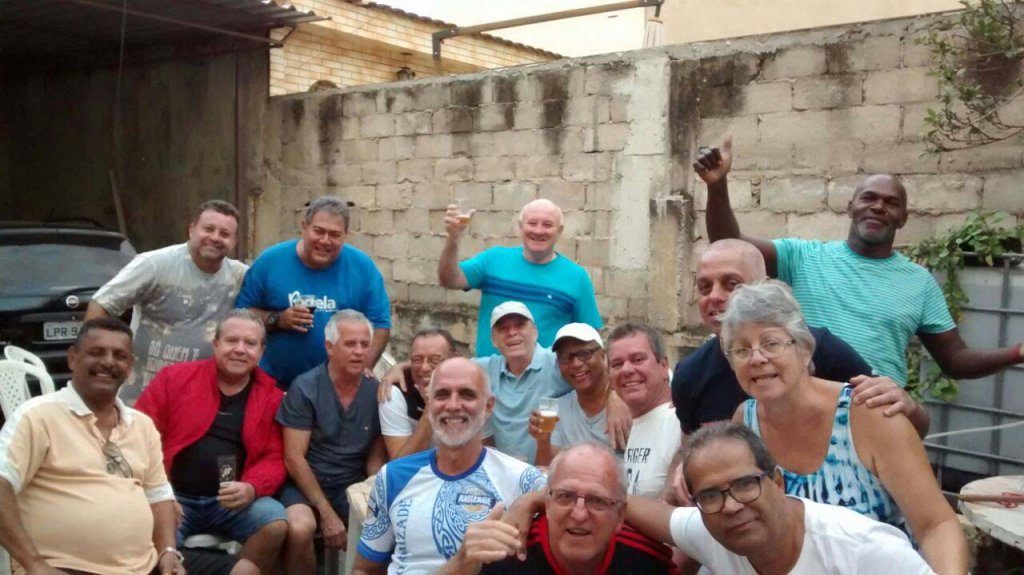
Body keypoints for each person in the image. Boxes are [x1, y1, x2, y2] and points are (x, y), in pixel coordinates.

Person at [697, 137, 1024, 384]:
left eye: (891, 203)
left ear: (903, 218)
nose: (878, 207)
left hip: (876, 414)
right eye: (869, 198)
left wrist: (1016, 353)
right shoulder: (803, 257)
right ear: (850, 208)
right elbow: (731, 246)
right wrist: (717, 186)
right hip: (804, 407)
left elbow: (955, 360)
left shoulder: (919, 282)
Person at [720, 281, 967, 572]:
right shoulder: (745, 424)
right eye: (742, 350)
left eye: (771, 343)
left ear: (805, 350)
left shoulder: (868, 414)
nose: (757, 358)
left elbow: (936, 525)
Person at [0, 318, 247, 574]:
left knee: (244, 570)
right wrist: (34, 564)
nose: (108, 362)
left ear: (129, 366)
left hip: (143, 565)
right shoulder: (38, 417)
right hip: (65, 566)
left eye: (119, 356)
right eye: (96, 352)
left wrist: (168, 552)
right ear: (72, 358)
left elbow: (159, 495)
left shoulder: (141, 425)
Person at [674, 238, 930, 437]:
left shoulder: (824, 350)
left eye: (731, 284)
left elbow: (904, 423)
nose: (714, 296)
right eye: (704, 287)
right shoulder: (690, 374)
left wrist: (911, 409)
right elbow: (691, 450)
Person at [623, 423, 940, 574]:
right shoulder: (712, 531)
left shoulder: (864, 550)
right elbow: (642, 510)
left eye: (745, 484)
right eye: (710, 495)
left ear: (777, 482)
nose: (731, 505)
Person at [352, 358, 547, 575]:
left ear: (488, 406)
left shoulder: (520, 478)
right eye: (442, 395)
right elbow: (364, 570)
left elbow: (567, 495)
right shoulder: (393, 476)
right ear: (429, 404)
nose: (453, 405)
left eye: (467, 394)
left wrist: (532, 500)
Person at [135, 310, 288, 575]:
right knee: (151, 538)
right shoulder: (173, 379)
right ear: (215, 344)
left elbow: (275, 457)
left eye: (250, 343)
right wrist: (161, 494)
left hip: (231, 503)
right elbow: (139, 436)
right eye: (232, 340)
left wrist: (252, 487)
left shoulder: (272, 397)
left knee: (274, 521)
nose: (240, 349)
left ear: (261, 352)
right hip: (174, 497)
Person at [86, 200, 248, 401]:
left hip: (199, 396)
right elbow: (102, 304)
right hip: (142, 393)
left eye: (224, 234)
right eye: (208, 229)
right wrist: (99, 356)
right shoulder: (155, 264)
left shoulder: (239, 276)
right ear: (191, 229)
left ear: (234, 242)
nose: (215, 237)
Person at [443, 442, 678, 575]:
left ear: (620, 516)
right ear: (546, 502)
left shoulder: (647, 561)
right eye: (565, 496)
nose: (579, 513)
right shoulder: (505, 558)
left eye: (597, 501)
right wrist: (460, 565)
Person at [236, 196, 391, 389]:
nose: (325, 241)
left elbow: (381, 324)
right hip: (274, 385)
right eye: (319, 231)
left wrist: (362, 369)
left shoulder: (363, 268)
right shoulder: (270, 262)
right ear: (304, 227)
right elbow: (241, 315)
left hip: (337, 389)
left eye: (335, 234)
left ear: (346, 235)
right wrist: (278, 319)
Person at [276, 309, 388, 574]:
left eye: (364, 344)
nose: (359, 352)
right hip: (305, 484)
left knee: (384, 528)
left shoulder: (377, 391)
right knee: (300, 527)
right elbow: (294, 457)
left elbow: (374, 457)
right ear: (329, 347)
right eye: (350, 344)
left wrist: (376, 497)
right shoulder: (306, 387)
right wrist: (326, 513)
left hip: (351, 482)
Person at [438, 198, 602, 356]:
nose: (538, 231)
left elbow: (590, 336)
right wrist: (453, 238)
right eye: (532, 223)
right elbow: (449, 279)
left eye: (547, 225)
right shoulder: (493, 260)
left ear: (559, 231)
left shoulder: (576, 277)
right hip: (491, 372)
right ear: (520, 226)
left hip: (547, 374)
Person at [607, 323, 680, 498]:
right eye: (617, 364)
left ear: (663, 366)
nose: (626, 370)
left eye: (638, 359)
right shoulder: (630, 426)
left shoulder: (678, 423)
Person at [531, 323, 615, 467]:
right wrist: (543, 441)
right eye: (566, 357)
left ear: (603, 355)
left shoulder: (626, 402)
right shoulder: (559, 410)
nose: (576, 363)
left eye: (584, 354)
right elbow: (545, 472)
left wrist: (617, 395)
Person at [379, 327, 457, 459]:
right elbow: (401, 463)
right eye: (417, 359)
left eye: (435, 360)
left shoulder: (468, 387)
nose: (424, 367)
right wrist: (430, 411)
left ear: (453, 359)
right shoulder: (396, 392)